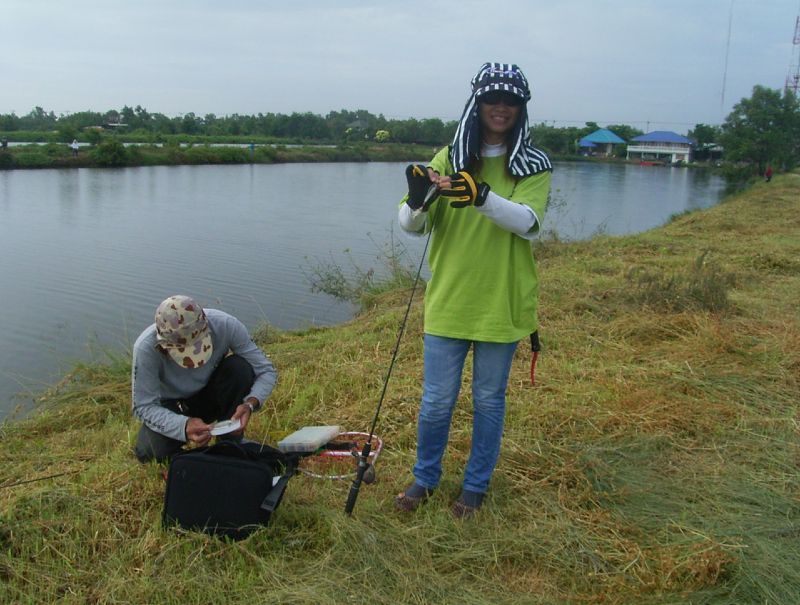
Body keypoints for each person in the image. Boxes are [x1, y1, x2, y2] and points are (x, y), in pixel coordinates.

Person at [395, 62, 552, 518]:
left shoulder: (533, 163)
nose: (500, 108)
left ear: (521, 108)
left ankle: (475, 487)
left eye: (510, 101)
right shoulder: (448, 157)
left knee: (488, 400)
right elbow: (411, 226)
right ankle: (425, 478)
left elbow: (529, 223)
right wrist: (416, 199)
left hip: (501, 302)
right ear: (477, 104)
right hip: (449, 299)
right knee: (437, 400)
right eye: (491, 99)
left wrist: (481, 197)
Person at [131, 295, 277, 463]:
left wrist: (250, 403)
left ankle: (230, 442)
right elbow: (143, 406)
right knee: (149, 452)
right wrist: (183, 425)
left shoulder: (225, 325)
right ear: (163, 344)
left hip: (209, 392)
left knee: (240, 368)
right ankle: (190, 457)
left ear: (206, 324)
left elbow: (266, 370)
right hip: (171, 406)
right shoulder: (145, 348)